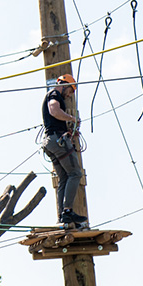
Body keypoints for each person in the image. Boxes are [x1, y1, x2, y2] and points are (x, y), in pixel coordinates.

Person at [41, 74, 88, 226]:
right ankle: (67, 211)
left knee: (64, 178)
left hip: (50, 142)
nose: (69, 95)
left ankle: (62, 216)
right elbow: (54, 111)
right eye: (70, 90)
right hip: (57, 140)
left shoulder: (52, 95)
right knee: (75, 173)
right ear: (65, 84)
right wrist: (72, 119)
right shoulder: (54, 95)